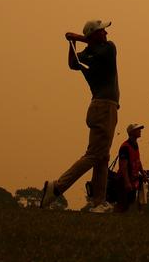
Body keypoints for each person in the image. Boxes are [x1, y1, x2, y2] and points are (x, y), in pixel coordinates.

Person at [41, 19, 119, 213]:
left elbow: (73, 63)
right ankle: (57, 187)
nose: (106, 34)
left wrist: (74, 40)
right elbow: (74, 63)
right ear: (94, 35)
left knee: (102, 157)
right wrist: (75, 40)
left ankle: (98, 202)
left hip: (102, 107)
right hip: (104, 108)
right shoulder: (105, 48)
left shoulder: (97, 51)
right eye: (102, 31)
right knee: (94, 155)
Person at [114, 123, 146, 213]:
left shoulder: (135, 144)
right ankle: (113, 219)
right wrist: (127, 182)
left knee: (129, 202)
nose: (140, 131)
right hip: (123, 179)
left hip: (132, 179)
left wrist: (143, 174)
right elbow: (123, 166)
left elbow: (138, 161)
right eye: (137, 129)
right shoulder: (125, 147)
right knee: (122, 204)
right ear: (131, 132)